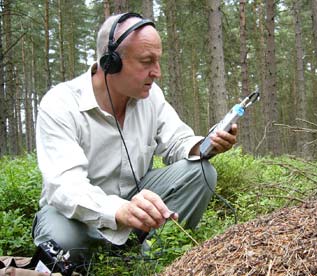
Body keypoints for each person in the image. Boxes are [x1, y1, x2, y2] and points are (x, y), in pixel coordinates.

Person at [32, 12, 237, 264]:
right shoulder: (61, 103)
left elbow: (177, 141)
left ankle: (154, 261)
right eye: (147, 61)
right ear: (111, 62)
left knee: (202, 171)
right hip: (75, 213)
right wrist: (119, 210)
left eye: (158, 61)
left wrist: (207, 145)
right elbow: (65, 187)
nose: (157, 72)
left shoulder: (151, 96)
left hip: (135, 200)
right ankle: (100, 253)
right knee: (64, 244)